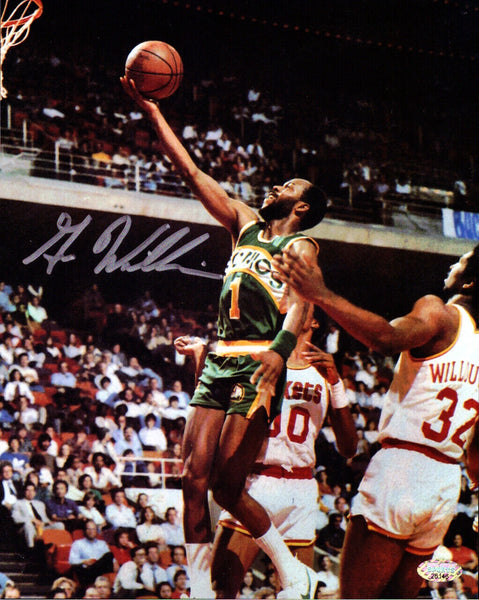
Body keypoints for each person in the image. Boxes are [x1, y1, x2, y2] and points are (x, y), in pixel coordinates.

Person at [121, 75, 328, 600]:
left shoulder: (302, 247)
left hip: (258, 363)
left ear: (302, 208)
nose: (276, 187)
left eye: (288, 188)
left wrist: (280, 352)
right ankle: (198, 589)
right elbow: (192, 172)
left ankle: (292, 572)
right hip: (220, 358)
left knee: (227, 485)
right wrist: (153, 112)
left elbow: (302, 305)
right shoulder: (244, 223)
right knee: (192, 477)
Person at [271, 245, 479, 598]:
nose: (452, 265)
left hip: (403, 468)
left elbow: (385, 339)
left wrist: (321, 294)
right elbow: (476, 448)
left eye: (462, 260)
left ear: (471, 281)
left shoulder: (440, 314)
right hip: (446, 482)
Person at [175, 304, 357, 598]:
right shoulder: (260, 357)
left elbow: (349, 448)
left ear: (314, 322)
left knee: (298, 593)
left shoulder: (325, 373)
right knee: (221, 589)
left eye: (302, 305)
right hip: (254, 483)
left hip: (301, 486)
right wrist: (200, 360)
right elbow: (215, 405)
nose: (292, 306)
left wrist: (336, 382)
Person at [11, 481, 64, 550]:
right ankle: (31, 549)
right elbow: (16, 518)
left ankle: (56, 547)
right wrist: (32, 520)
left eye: (32, 491)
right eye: (28, 490)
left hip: (41, 527)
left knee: (59, 525)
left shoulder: (40, 504)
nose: (30, 493)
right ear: (24, 492)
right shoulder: (17, 504)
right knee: (28, 525)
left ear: (35, 492)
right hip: (29, 527)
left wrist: (48, 522)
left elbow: (45, 519)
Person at [68, 520, 114, 588]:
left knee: (109, 555)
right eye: (89, 529)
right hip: (87, 570)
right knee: (77, 568)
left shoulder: (102, 543)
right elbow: (72, 560)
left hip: (100, 569)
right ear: (85, 531)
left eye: (93, 529)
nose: (91, 531)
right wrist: (84, 561)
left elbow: (109, 559)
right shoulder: (78, 543)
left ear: (96, 531)